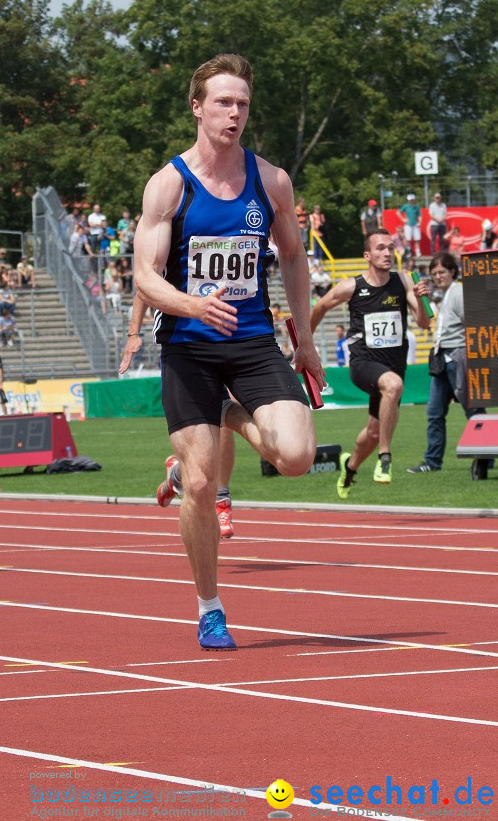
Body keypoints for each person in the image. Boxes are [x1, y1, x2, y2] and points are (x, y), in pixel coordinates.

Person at [133, 53, 324, 650]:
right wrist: (192, 305)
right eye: (223, 102)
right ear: (197, 107)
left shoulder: (271, 182)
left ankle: (231, 415)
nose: (234, 113)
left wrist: (307, 336)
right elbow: (145, 274)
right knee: (197, 483)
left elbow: (292, 256)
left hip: (251, 342)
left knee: (296, 455)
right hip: (189, 348)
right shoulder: (169, 184)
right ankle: (210, 608)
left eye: (242, 103)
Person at [310, 229, 431, 499]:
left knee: (374, 431)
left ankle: (349, 468)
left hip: (393, 364)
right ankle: (385, 458)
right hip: (364, 363)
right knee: (394, 385)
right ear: (367, 255)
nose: (387, 253)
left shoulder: (402, 281)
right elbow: (318, 308)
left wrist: (422, 299)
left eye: (390, 248)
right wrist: (304, 345)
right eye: (380, 248)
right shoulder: (351, 286)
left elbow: (423, 323)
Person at [119, 295, 237, 539]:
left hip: (231, 337)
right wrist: (133, 333)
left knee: (227, 413)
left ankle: (220, 498)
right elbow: (144, 283)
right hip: (184, 344)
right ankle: (179, 476)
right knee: (207, 440)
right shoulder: (172, 257)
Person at [408, 252, 487, 477]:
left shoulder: (459, 292)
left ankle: (487, 457)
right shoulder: (446, 294)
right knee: (434, 412)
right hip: (443, 358)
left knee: (473, 411)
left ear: (453, 271)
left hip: (458, 356)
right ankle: (432, 461)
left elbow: (472, 323)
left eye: (442, 272)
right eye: (434, 273)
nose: (438, 276)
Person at [397, 193, 422, 258]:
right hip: (408, 225)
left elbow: (419, 215)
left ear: (414, 200)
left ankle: (418, 252)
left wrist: (419, 222)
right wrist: (403, 219)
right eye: (409, 200)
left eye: (412, 200)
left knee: (417, 239)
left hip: (415, 225)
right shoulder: (406, 206)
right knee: (408, 240)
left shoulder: (416, 206)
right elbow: (398, 212)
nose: (410, 201)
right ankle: (409, 252)